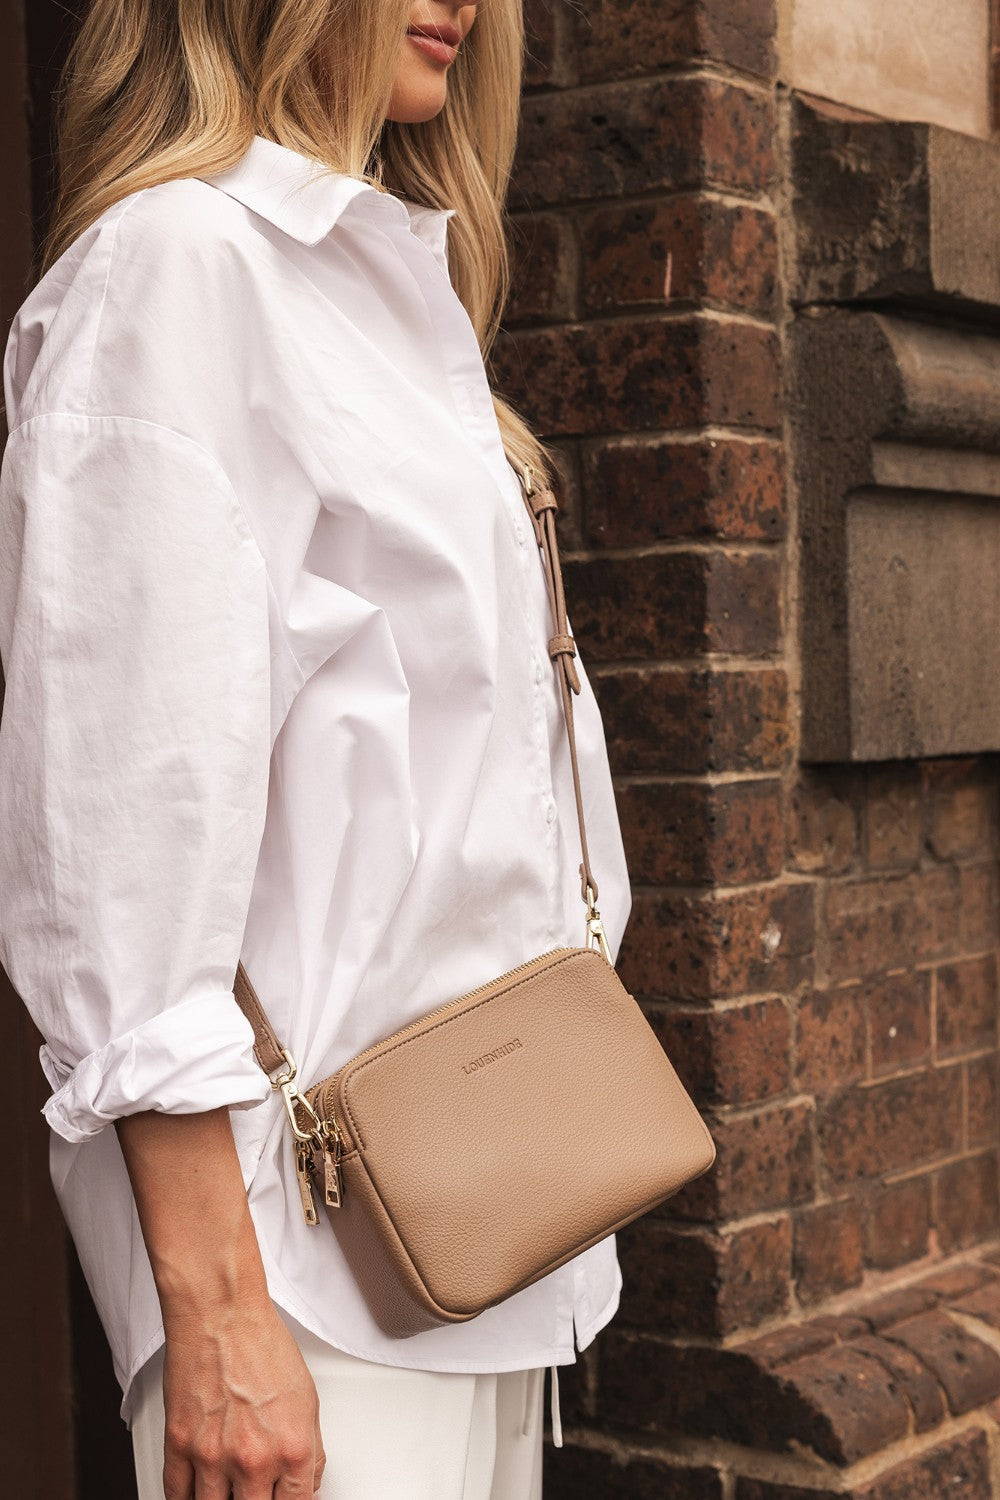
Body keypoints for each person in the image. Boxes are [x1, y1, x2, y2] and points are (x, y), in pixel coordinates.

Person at [0, 1, 633, 1496]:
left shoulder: (389, 296)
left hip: (486, 1226)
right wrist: (215, 1309)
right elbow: (117, 820)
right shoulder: (177, 269)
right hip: (306, 1277)